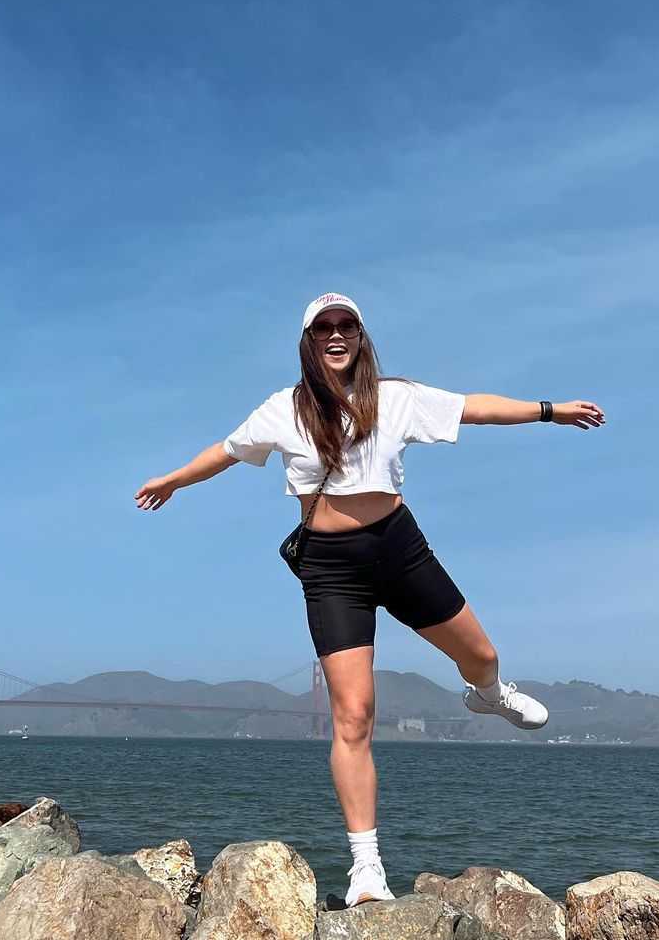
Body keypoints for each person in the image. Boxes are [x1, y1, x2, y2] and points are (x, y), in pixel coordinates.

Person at [135, 292, 605, 907]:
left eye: (347, 325)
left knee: (483, 656)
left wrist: (549, 411)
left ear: (360, 336)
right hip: (332, 571)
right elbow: (224, 453)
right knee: (354, 716)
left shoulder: (395, 397)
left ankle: (488, 695)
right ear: (309, 341)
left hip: (400, 551)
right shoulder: (283, 410)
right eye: (323, 328)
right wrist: (174, 480)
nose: (336, 335)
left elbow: (474, 408)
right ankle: (366, 868)